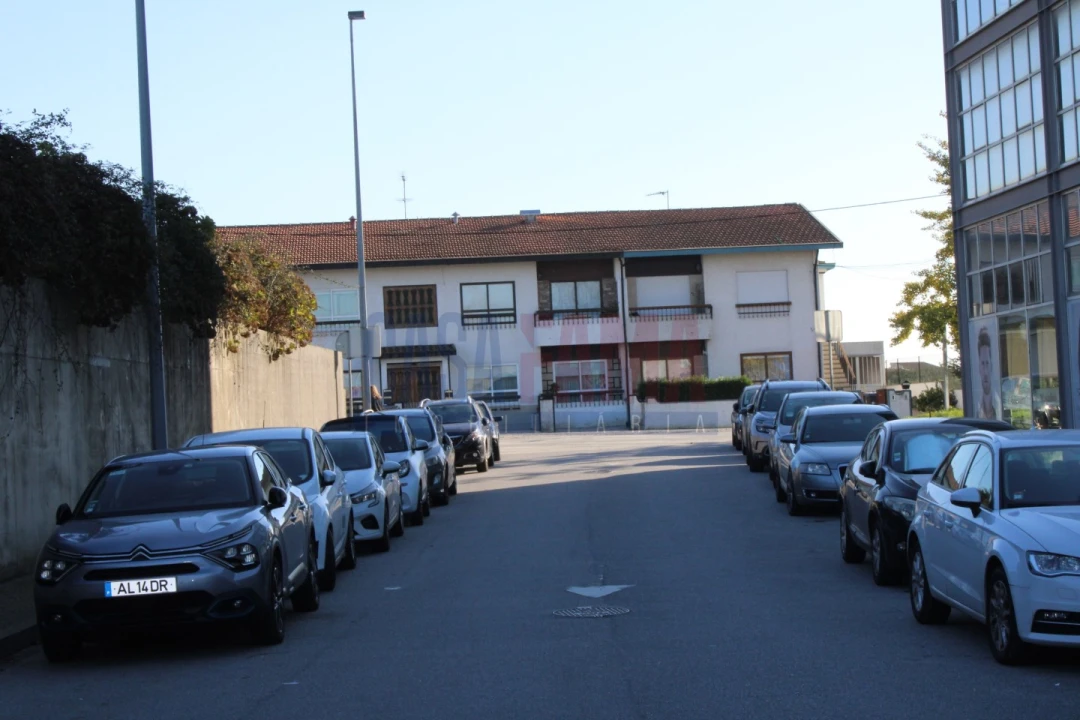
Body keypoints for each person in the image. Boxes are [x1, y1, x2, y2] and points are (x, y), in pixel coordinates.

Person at [977, 327, 995, 419]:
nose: (985, 372)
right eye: (982, 364)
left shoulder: (1000, 405)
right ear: (979, 367)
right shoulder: (977, 410)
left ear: (992, 366)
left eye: (987, 363)